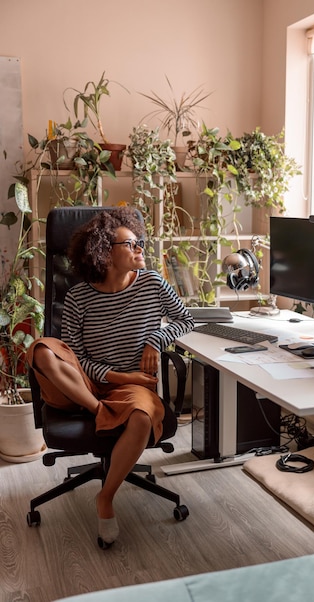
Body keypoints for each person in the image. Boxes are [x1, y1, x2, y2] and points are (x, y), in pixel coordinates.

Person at [27, 207, 194, 545]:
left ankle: (105, 498)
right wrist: (119, 378)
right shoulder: (78, 298)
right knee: (41, 350)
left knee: (143, 420)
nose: (140, 249)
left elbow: (185, 320)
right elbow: (78, 359)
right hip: (85, 386)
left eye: (140, 243)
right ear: (105, 252)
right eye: (131, 244)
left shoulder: (152, 284)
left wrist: (155, 339)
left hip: (133, 386)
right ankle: (98, 411)